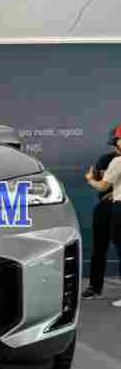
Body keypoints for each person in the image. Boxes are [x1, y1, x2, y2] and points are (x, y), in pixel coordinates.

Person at [85, 124, 121, 306]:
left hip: (118, 207)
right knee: (99, 248)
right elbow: (101, 184)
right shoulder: (105, 160)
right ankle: (94, 286)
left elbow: (101, 184)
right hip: (105, 208)